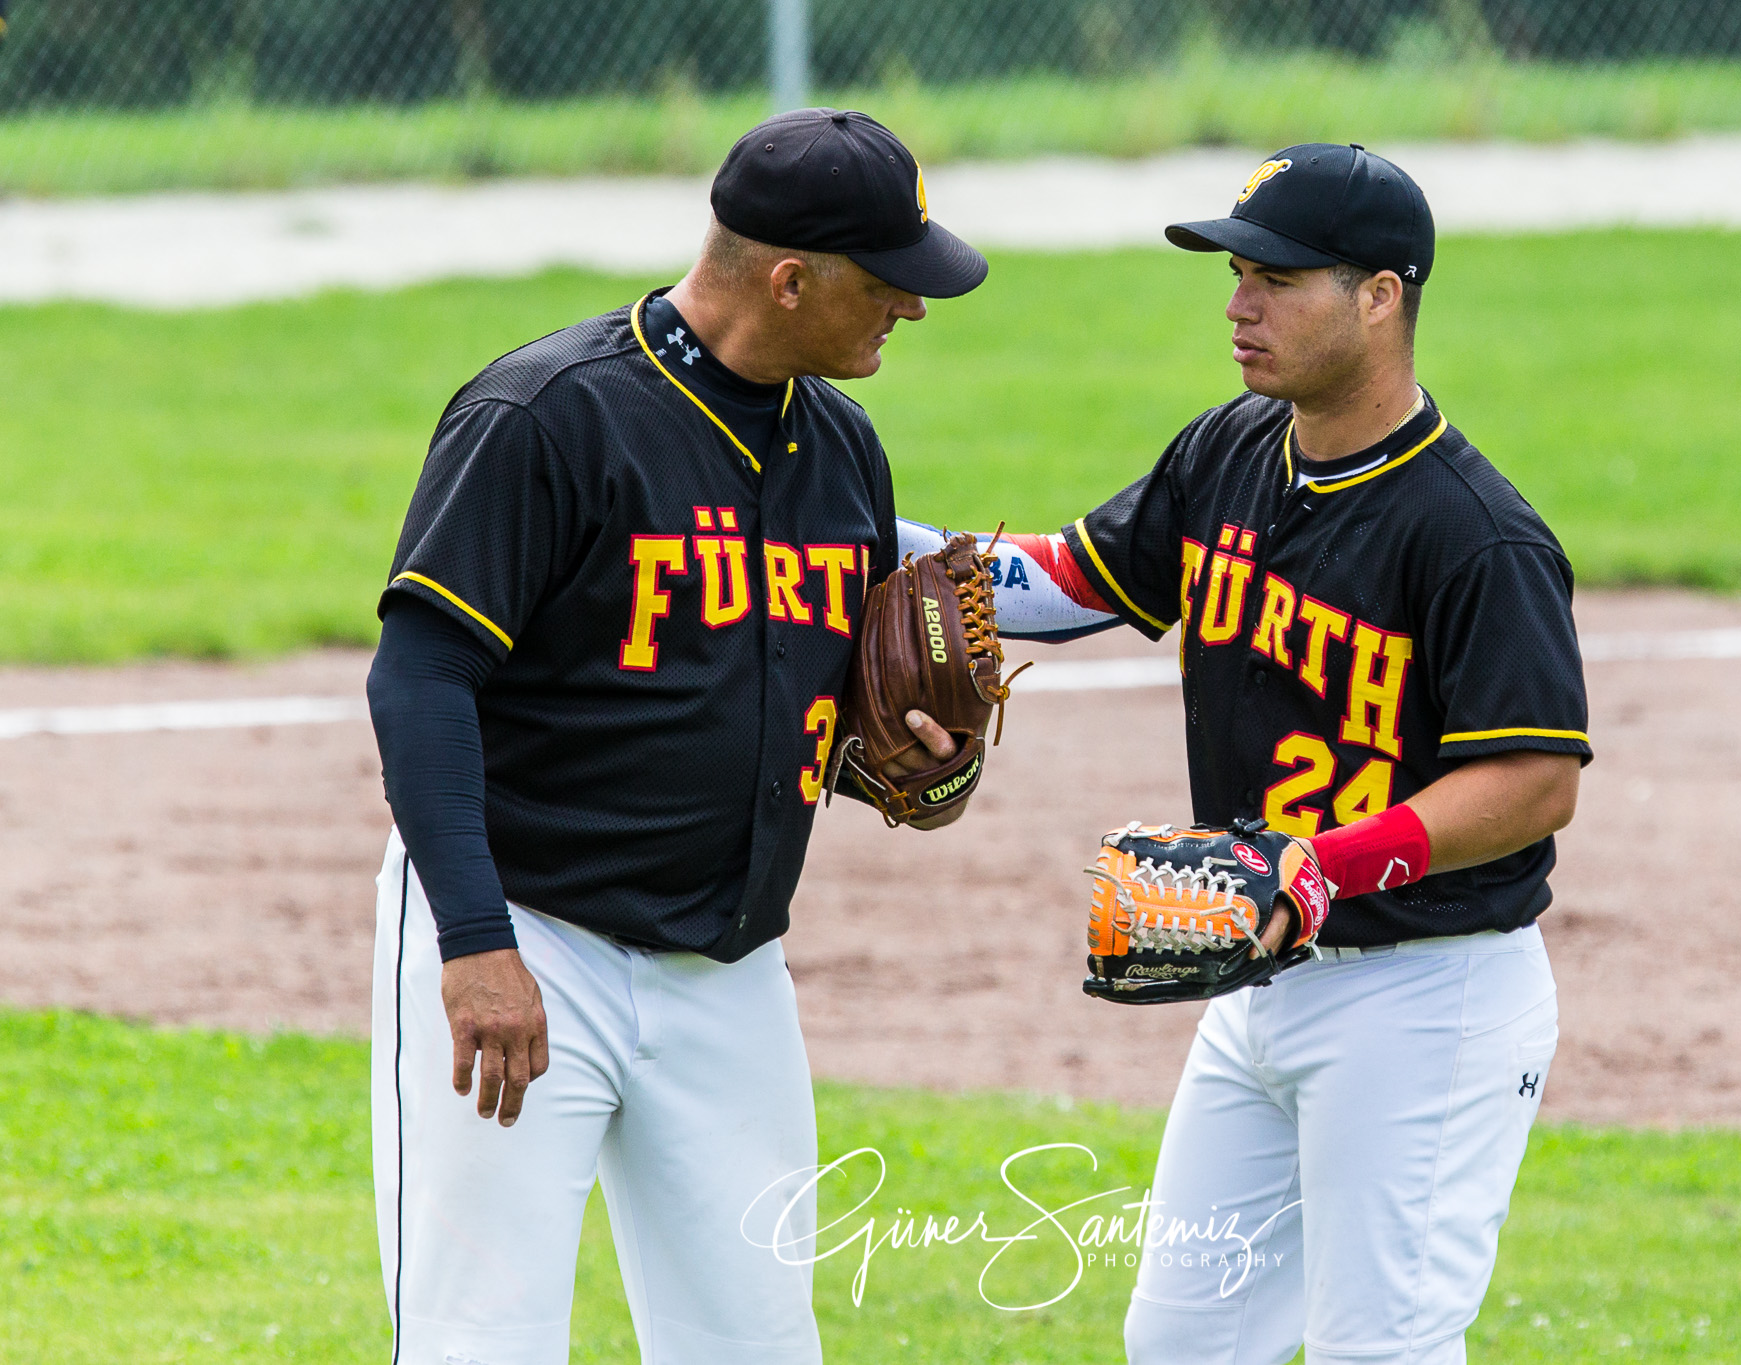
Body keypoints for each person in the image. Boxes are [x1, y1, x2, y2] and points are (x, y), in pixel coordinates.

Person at [907, 143, 1590, 1364]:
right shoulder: (1229, 450)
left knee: (1378, 1350)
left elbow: (1535, 781)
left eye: (1274, 279)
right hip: (1258, 985)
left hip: (1426, 999)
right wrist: (862, 540)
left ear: (1379, 294)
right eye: (1234, 273)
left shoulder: (1474, 537)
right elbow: (1075, 577)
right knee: (1179, 1343)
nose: (1237, 305)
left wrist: (1326, 865)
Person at [363, 108, 984, 1365]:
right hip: (526, 934)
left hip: (728, 968)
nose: (909, 311)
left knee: (755, 1342)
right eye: (885, 284)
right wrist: (476, 948)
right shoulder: (546, 417)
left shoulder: (842, 451)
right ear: (788, 278)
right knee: (477, 1338)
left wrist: (895, 767)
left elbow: (791, 698)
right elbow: (418, 679)